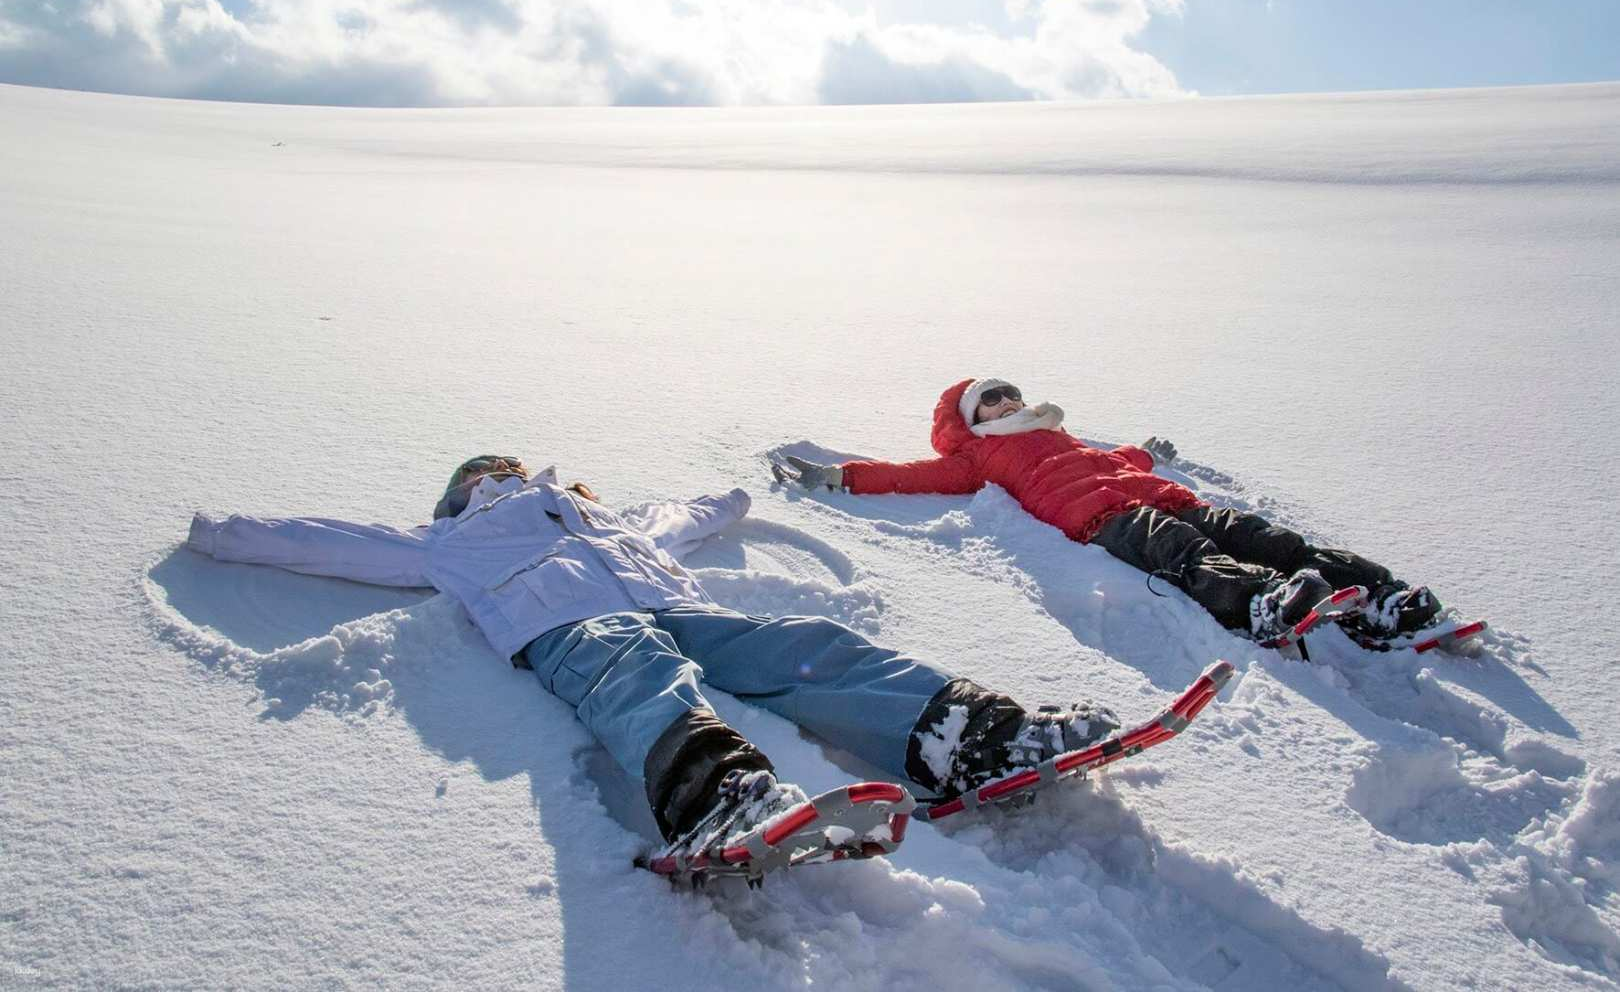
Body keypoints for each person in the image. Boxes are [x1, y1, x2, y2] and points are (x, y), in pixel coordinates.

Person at [185, 454, 1121, 858]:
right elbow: (331, 543)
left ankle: (971, 737)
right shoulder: (447, 541)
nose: (500, 475)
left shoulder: (595, 514)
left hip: (674, 600)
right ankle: (717, 797)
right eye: (481, 473)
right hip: (569, 630)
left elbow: (677, 520)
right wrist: (222, 533)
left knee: (805, 647)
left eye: (507, 464)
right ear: (458, 493)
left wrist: (727, 503)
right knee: (635, 678)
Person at [773, 379, 1442, 648]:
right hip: (1104, 520)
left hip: (1152, 494)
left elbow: (1111, 457)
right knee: (1185, 553)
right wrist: (844, 477)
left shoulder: (1059, 433)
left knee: (1261, 534)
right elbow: (910, 475)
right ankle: (1260, 605)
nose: (1007, 404)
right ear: (971, 421)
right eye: (991, 401)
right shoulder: (975, 457)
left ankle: (1382, 600)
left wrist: (1145, 456)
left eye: (1010, 393)